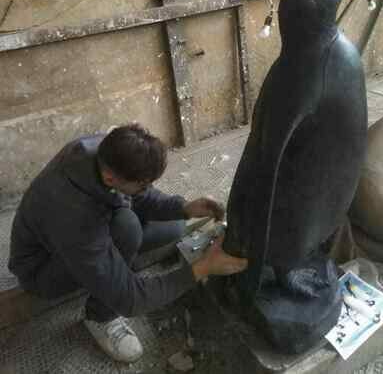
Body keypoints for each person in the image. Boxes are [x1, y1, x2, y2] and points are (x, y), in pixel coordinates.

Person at [8, 123, 247, 363]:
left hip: (77, 234)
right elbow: (131, 300)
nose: (146, 188)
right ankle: (100, 316)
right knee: (128, 229)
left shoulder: (105, 151)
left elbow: (140, 193)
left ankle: (113, 266)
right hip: (42, 270)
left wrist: (183, 208)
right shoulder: (76, 217)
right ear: (110, 178)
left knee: (174, 225)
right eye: (143, 183)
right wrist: (203, 268)